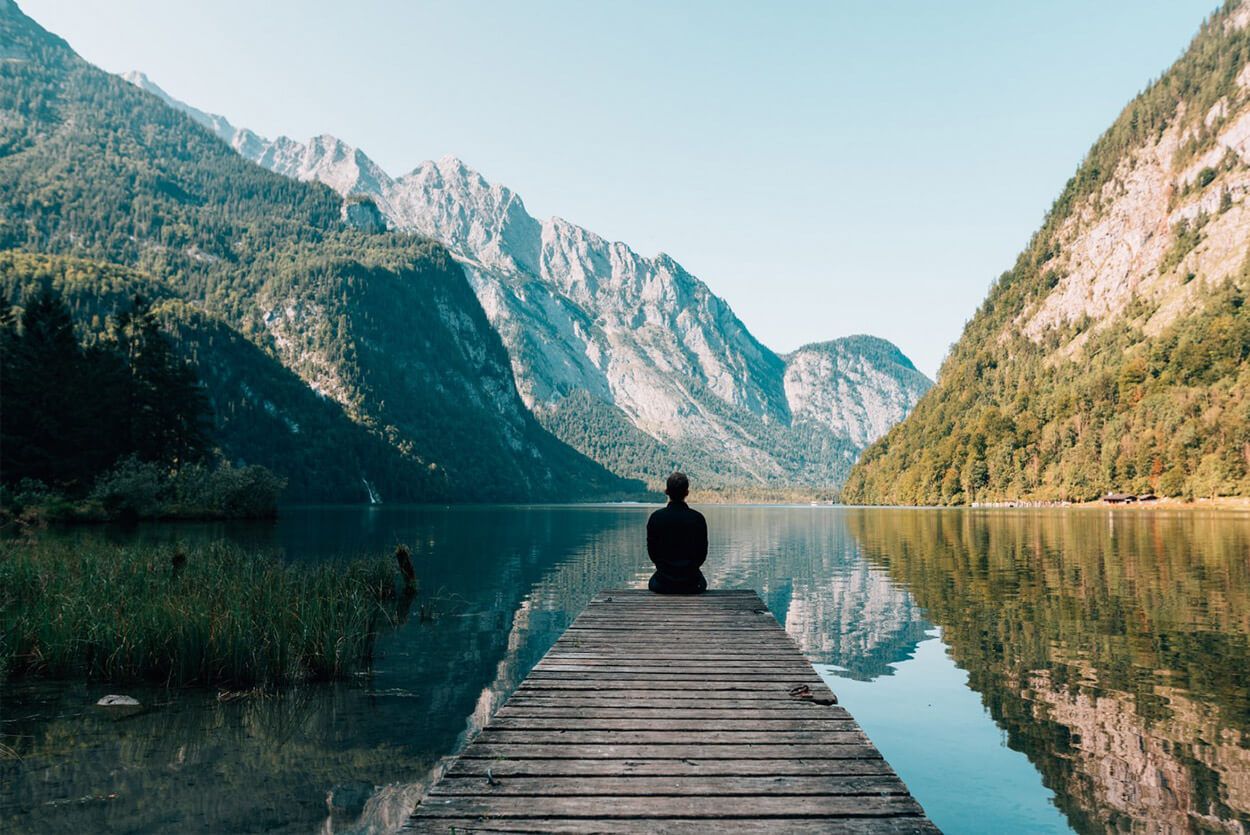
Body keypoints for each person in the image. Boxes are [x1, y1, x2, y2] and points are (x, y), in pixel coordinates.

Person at [646, 472, 708, 594]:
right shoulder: (698, 518)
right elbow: (702, 554)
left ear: (666, 492)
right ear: (687, 493)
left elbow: (652, 553)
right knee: (701, 582)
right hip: (692, 584)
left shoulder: (656, 517)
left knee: (653, 582)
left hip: (662, 583)